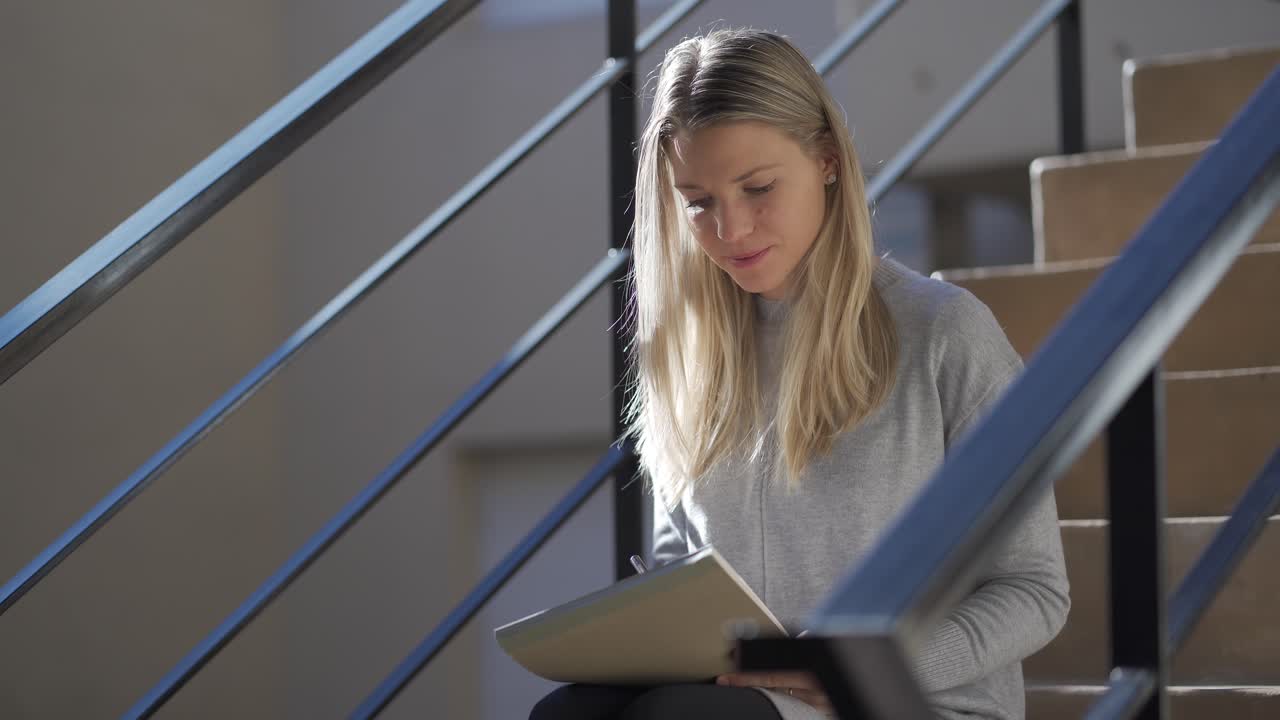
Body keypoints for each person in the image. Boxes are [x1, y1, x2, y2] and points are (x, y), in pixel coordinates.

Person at [529, 26, 1069, 720]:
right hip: (747, 699)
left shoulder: (945, 333)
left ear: (825, 159)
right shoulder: (686, 354)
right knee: (572, 713)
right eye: (698, 201)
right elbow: (677, 569)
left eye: (756, 189)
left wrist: (860, 667)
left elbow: (1034, 590)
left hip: (907, 702)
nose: (731, 231)